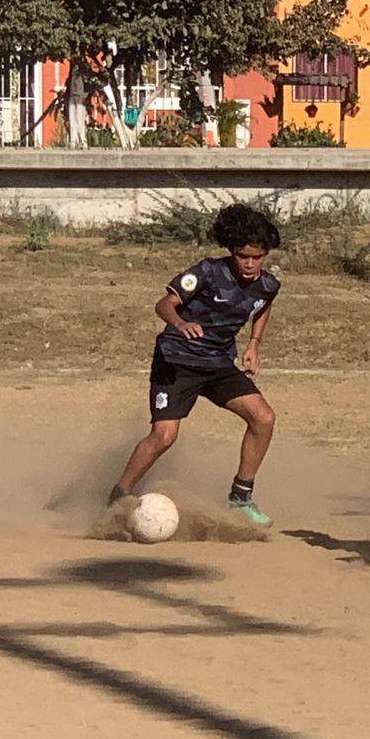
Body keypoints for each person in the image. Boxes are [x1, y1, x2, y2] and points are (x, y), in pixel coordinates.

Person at [109, 204, 281, 527]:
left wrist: (254, 344)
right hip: (177, 360)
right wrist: (179, 323)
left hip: (217, 363)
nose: (249, 263)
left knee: (264, 418)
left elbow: (263, 304)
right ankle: (117, 498)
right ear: (231, 251)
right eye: (243, 255)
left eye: (256, 257)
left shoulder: (268, 284)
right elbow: (164, 304)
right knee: (164, 436)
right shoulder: (207, 272)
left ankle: (240, 498)